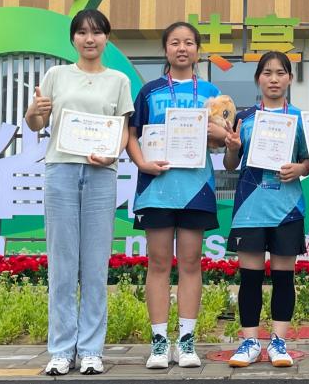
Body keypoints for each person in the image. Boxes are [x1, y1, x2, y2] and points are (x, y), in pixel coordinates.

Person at [25, 9, 134, 376]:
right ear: (73, 38)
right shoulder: (56, 75)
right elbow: (37, 122)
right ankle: (60, 350)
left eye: (97, 32)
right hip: (62, 171)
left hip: (102, 175)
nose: (90, 39)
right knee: (62, 264)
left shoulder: (118, 80)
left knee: (95, 265)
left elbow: (123, 128)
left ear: (106, 38)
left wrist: (113, 154)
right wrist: (34, 111)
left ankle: (90, 350)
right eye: (83, 33)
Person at [125, 22, 230, 369]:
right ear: (166, 50)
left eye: (188, 42)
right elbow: (131, 134)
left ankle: (186, 341)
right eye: (174, 43)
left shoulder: (212, 93)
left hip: (196, 189)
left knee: (190, 263)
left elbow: (224, 137)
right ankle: (159, 343)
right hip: (156, 189)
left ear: (198, 50)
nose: (182, 48)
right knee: (157, 264)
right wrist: (142, 163)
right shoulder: (149, 91)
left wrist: (217, 131)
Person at [224, 51, 309, 368]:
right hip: (250, 208)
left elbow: (308, 161)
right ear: (258, 78)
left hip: (287, 208)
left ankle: (278, 342)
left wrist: (300, 169)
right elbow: (230, 164)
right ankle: (249, 342)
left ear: (290, 78)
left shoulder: (300, 119)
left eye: (280, 73)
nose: (274, 79)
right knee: (250, 278)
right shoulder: (244, 118)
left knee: (283, 277)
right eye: (267, 73)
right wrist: (232, 148)